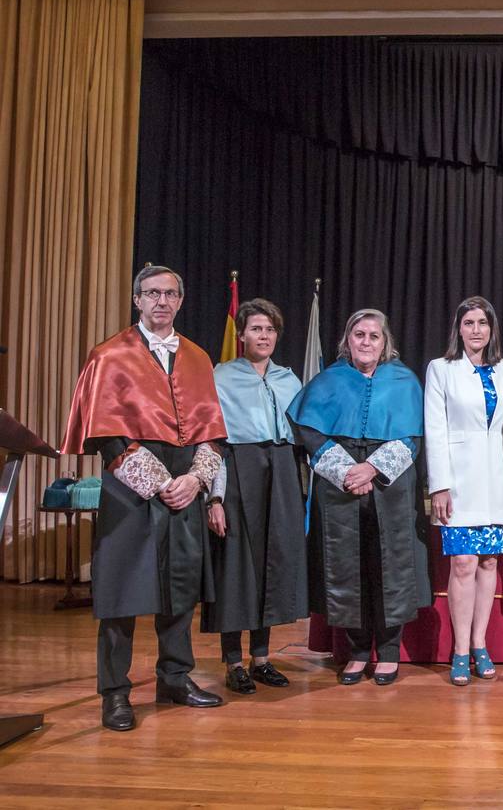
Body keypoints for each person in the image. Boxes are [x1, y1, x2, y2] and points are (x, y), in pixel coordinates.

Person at [62, 265, 227, 731]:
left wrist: (196, 480)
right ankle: (114, 694)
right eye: (152, 293)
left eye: (170, 293)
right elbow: (107, 438)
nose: (161, 301)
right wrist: (159, 483)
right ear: (137, 300)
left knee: (180, 588)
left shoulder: (197, 357)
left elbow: (212, 434)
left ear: (181, 300)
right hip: (131, 484)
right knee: (121, 593)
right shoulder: (110, 355)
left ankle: (175, 677)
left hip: (186, 480)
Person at [288, 309, 428, 687]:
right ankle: (358, 651)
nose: (366, 342)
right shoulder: (329, 380)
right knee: (349, 566)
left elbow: (412, 436)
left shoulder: (403, 381)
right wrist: (347, 471)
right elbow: (309, 432)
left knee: (390, 565)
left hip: (389, 485)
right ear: (347, 340)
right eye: (359, 335)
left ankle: (389, 650)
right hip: (341, 487)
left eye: (374, 336)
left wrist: (373, 469)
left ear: (385, 343)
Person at [202, 298, 306, 695]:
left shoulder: (289, 379)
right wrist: (215, 498)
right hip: (238, 470)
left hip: (280, 472)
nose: (263, 336)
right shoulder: (221, 376)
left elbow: (302, 435)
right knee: (236, 570)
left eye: (270, 330)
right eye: (256, 329)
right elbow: (213, 442)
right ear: (241, 334)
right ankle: (232, 661)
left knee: (269, 565)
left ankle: (261, 658)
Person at [424, 296, 503, 686]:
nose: (476, 330)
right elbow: (435, 428)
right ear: (458, 329)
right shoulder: (441, 369)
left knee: (489, 563)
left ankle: (480, 643)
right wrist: (439, 486)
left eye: (482, 323)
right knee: (462, 563)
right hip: (458, 481)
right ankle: (460, 649)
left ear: (492, 328)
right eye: (469, 323)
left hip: (498, 480)